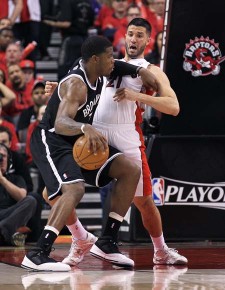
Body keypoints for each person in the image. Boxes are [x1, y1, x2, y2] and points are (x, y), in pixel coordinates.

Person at [45, 18, 187, 266]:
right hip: (93, 134)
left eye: (140, 35)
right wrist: (58, 89)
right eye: (130, 34)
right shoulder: (102, 63)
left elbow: (173, 107)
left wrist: (137, 95)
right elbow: (81, 88)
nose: (133, 39)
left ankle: (161, 249)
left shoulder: (150, 69)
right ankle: (80, 240)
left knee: (143, 202)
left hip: (126, 136)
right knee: (55, 190)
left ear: (148, 40)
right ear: (124, 36)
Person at [21, 35, 157, 272]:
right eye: (108, 57)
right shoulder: (78, 84)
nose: (113, 61)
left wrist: (138, 72)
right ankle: (38, 252)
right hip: (52, 140)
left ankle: (106, 242)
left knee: (130, 169)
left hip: (76, 142)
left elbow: (117, 64)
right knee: (74, 189)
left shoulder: (96, 69)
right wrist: (86, 127)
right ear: (95, 60)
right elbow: (62, 122)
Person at [0, 143, 37, 246]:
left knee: (31, 200)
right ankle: (8, 234)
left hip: (11, 215)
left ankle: (4, 229)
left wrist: (2, 180)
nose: (1, 160)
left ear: (9, 160)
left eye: (3, 156)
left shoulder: (16, 178)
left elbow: (22, 196)